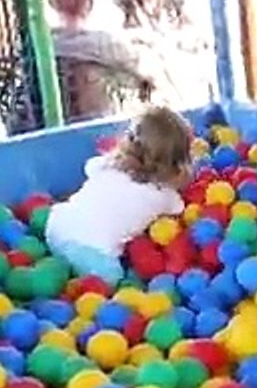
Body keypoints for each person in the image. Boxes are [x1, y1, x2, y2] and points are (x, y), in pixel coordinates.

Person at [45, 106, 191, 285]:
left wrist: (114, 158)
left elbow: (89, 167)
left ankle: (59, 268)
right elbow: (179, 207)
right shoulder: (165, 196)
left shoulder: (108, 165)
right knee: (113, 279)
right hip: (91, 251)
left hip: (56, 228)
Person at [47, 0, 152, 121]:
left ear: (52, 3)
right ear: (89, 2)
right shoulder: (106, 45)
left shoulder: (41, 49)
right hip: (100, 131)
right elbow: (150, 76)